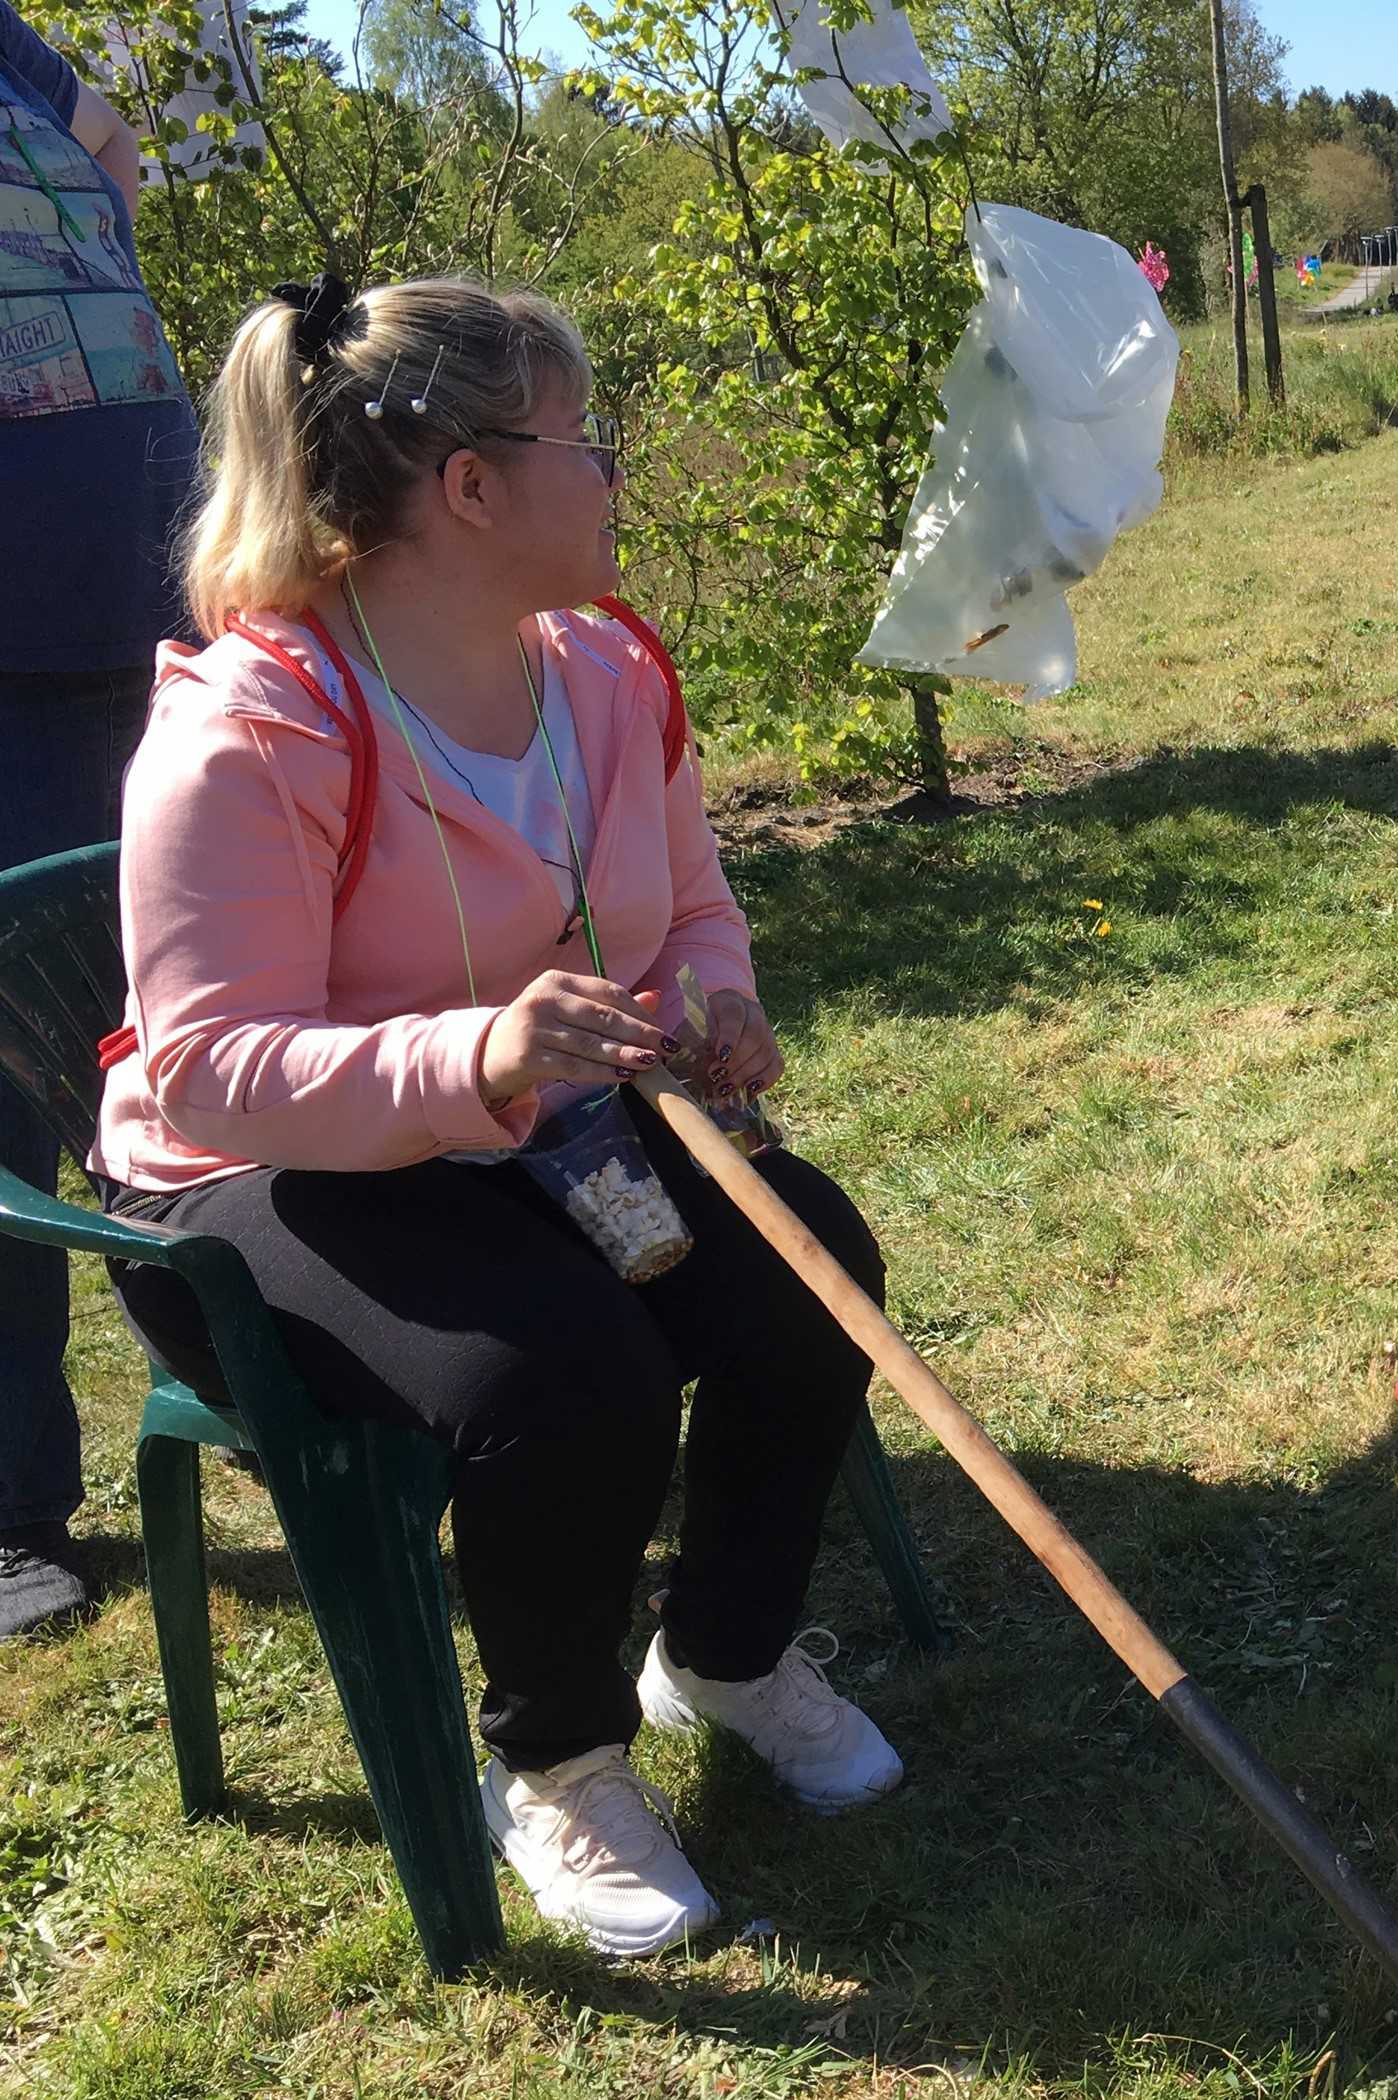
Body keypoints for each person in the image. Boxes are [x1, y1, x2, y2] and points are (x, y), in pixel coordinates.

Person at [92, 275, 906, 1956]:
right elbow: (214, 1068)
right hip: (252, 1186)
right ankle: (556, 1764)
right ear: (469, 484)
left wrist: (707, 1004)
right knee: (559, 1368)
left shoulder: (602, 674)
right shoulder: (250, 733)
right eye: (581, 441)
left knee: (808, 1255)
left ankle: (727, 1654)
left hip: (521, 1125)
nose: (612, 474)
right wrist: (478, 1060)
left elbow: (686, 905)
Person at [0, 2, 200, 1641]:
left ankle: (287, 1366)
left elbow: (113, 145)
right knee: (5, 1071)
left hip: (140, 613)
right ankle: (7, 1503)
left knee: (190, 1033)